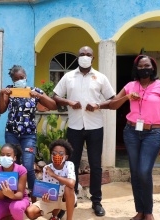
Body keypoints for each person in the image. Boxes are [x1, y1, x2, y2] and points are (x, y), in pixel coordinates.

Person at [53, 46, 115, 217]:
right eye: (82, 54)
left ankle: (96, 201)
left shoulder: (100, 78)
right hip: (74, 127)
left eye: (88, 55)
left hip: (95, 126)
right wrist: (69, 102)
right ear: (78, 57)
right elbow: (55, 96)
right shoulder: (68, 76)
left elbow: (112, 100)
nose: (85, 57)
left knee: (95, 165)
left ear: (93, 58)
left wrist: (98, 105)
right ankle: (71, 198)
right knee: (71, 164)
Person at [109, 55, 160, 220]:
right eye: (141, 65)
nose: (144, 68)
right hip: (131, 132)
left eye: (147, 65)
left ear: (153, 68)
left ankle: (148, 211)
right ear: (136, 69)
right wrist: (127, 97)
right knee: (135, 172)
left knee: (144, 171)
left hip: (153, 133)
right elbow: (113, 104)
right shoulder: (130, 85)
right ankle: (140, 211)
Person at [0, 65, 57, 200]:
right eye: (16, 78)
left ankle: (34, 197)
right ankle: (14, 195)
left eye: (22, 77)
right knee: (13, 165)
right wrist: (2, 94)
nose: (19, 80)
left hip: (28, 135)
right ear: (12, 79)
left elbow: (53, 105)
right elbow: (0, 110)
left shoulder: (34, 91)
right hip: (12, 133)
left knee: (28, 165)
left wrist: (39, 95)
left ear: (26, 77)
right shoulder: (9, 91)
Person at [26, 139, 76, 220]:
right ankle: (54, 215)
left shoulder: (69, 165)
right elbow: (47, 188)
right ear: (51, 155)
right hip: (53, 199)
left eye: (61, 153)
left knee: (69, 188)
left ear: (66, 157)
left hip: (65, 199)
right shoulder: (47, 168)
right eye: (54, 153)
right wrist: (45, 197)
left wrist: (53, 175)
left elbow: (71, 183)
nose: (57, 155)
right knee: (30, 212)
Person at [0, 143, 30, 220]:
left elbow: (20, 194)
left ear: (14, 158)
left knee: (16, 208)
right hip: (4, 202)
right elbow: (1, 198)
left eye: (8, 155)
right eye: (2, 154)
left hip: (19, 200)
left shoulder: (21, 170)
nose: (5, 157)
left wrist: (12, 195)